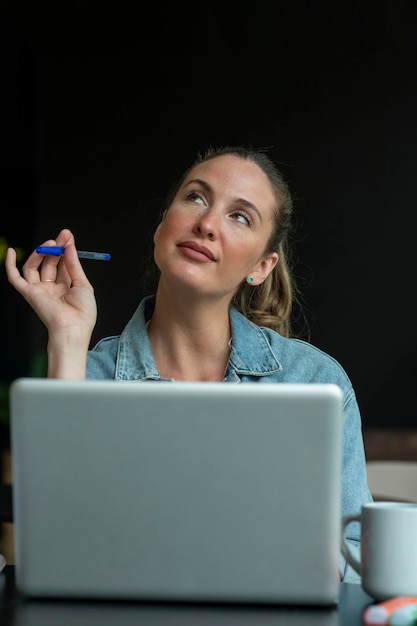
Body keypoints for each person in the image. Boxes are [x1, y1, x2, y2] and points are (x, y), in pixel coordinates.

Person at [6, 145, 372, 582]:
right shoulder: (87, 375)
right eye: (196, 197)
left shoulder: (315, 381)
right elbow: (51, 549)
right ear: (162, 226)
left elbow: (356, 553)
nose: (207, 224)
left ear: (262, 266)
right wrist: (66, 337)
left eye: (240, 216)